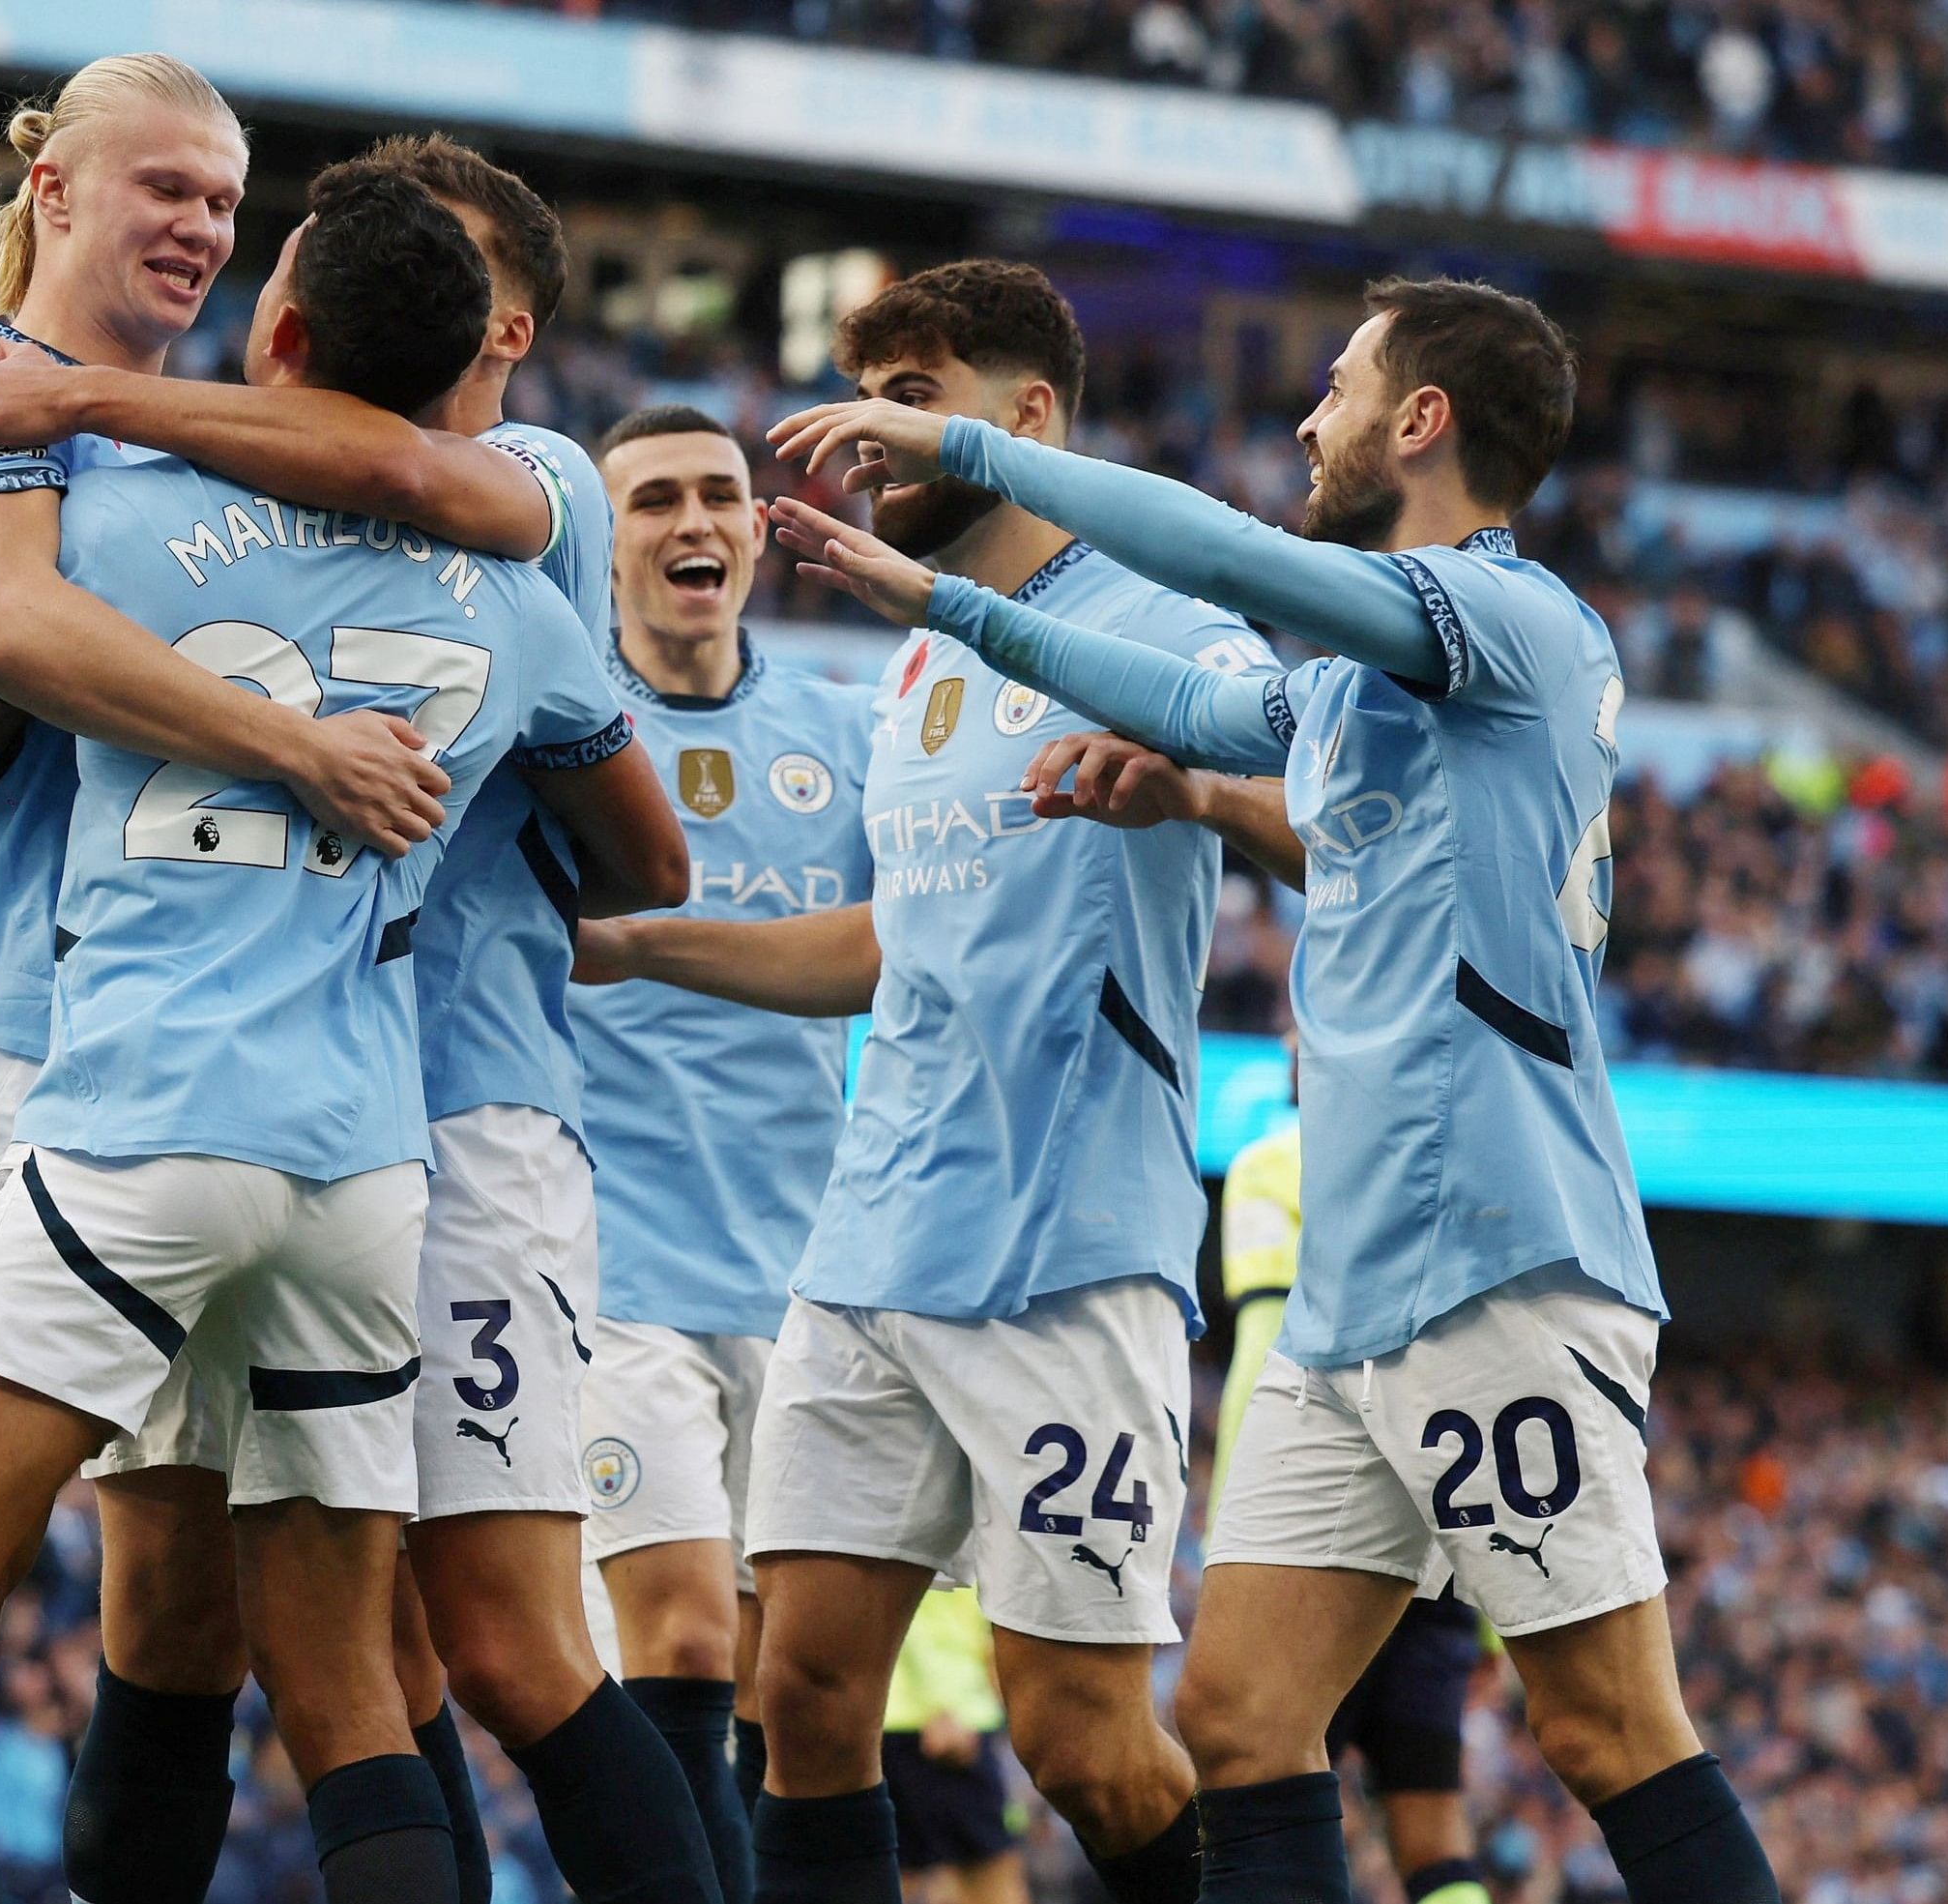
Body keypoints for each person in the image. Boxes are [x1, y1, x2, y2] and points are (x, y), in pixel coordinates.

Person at [766, 275, 1780, 1904]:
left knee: (1607, 1726)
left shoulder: (1510, 622)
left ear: (1420, 419)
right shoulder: (1361, 687)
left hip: (1502, 1257)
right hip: (1350, 1291)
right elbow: (1190, 703)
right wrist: (933, 598)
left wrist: (958, 441)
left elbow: (1231, 566)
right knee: (1240, 1718)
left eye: (1337, 387)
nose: (1311, 422)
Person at [0, 165, 617, 1904]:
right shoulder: (507, 567)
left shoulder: (112, 508)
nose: (212, 240)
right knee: (307, 1653)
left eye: (239, 221)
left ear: (277, 323)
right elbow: (633, 836)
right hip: (364, 1147)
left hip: (120, 1084)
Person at [585, 261, 1255, 1904]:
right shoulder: (914, 663)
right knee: (804, 1691)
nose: (861, 430)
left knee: (1083, 1738)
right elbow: (887, 944)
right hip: (868, 1243)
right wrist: (639, 946)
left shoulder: (1166, 624)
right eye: (857, 385)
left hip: (1070, 1254)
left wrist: (1193, 795)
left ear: (1032, 420)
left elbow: (1315, 806)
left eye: (909, 393)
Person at [567, 403, 877, 1894]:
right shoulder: (559, 732)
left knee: (782, 1686)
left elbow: (900, 954)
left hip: (808, 1271)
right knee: (681, 1634)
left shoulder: (846, 731)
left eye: (720, 497)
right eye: (653, 503)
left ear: (759, 529)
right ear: (604, 540)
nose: (694, 523)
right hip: (610, 1262)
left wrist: (651, 947)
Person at [1218, 1102, 1492, 1904]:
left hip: (1321, 1538)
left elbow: (1262, 1355)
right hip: (1439, 1541)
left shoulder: (1276, 1161)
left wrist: (1234, 1527)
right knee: (1434, 1830)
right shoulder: (1458, 1154)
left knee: (1268, 1794)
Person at [880, 1594, 1021, 1904]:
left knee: (914, 1876)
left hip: (906, 1717)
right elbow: (908, 1604)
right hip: (945, 1722)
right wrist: (943, 1703)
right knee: (991, 1876)